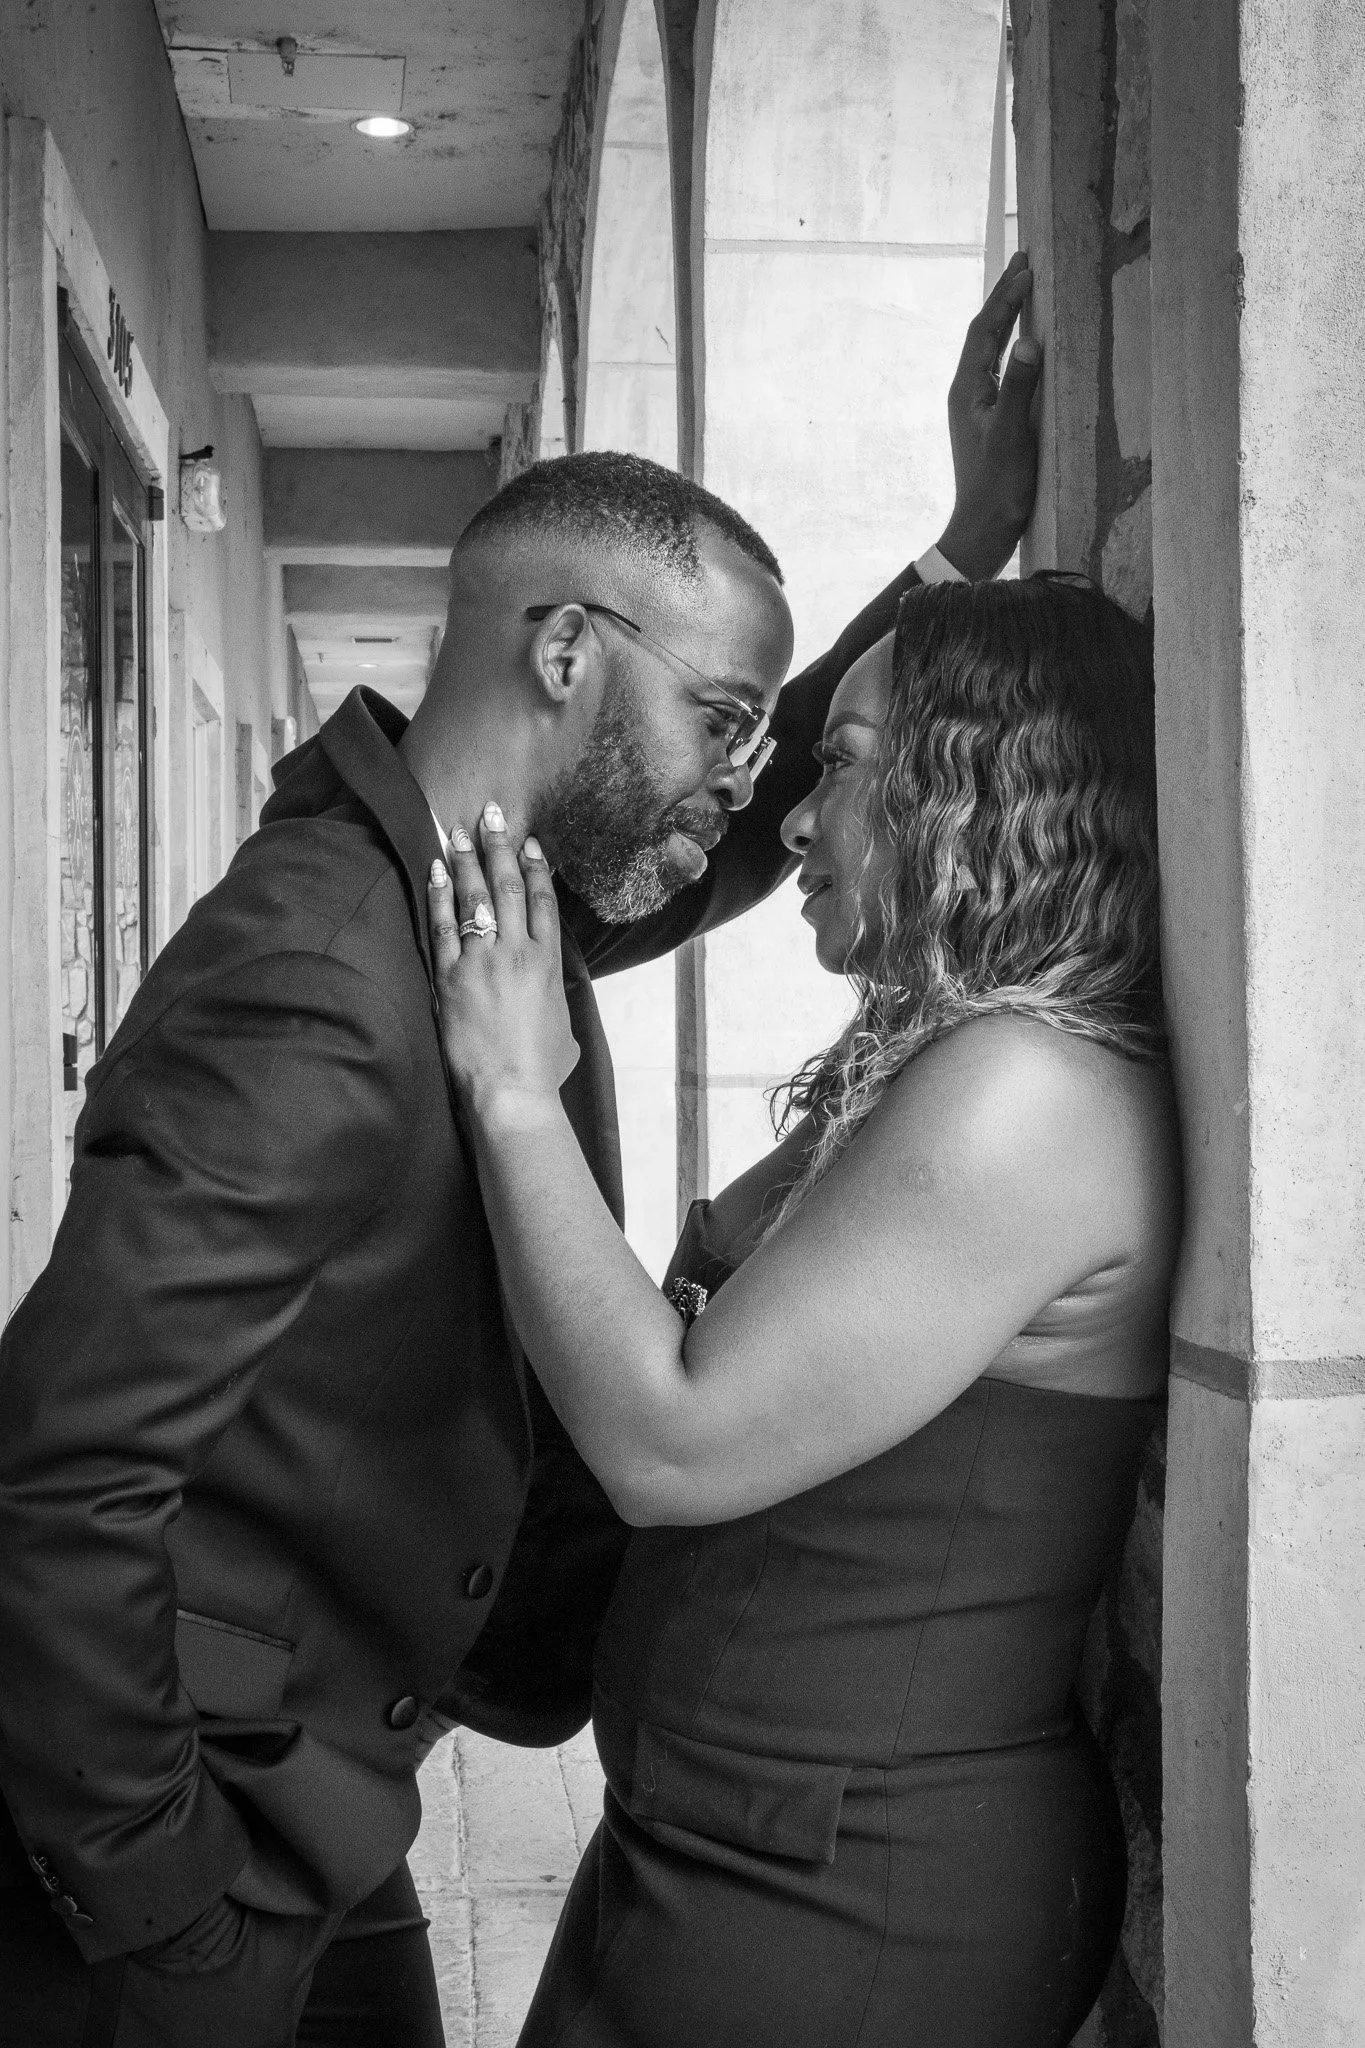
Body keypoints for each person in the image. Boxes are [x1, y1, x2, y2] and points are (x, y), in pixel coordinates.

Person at [0, 263, 1041, 2047]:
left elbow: (705, 845)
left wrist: (960, 546)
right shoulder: (328, 971)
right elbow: (53, 1478)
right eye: (723, 720)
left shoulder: (492, 889)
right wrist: (162, 1907)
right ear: (565, 651)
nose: (750, 782)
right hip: (185, 1854)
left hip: (321, 1786)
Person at [425, 573, 1183, 2048]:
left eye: (837, 761)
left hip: (852, 1898)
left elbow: (673, 1443)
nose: (792, 818)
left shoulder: (1026, 1093)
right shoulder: (942, 1056)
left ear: (977, 783)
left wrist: (516, 1094)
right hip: (738, 1847)